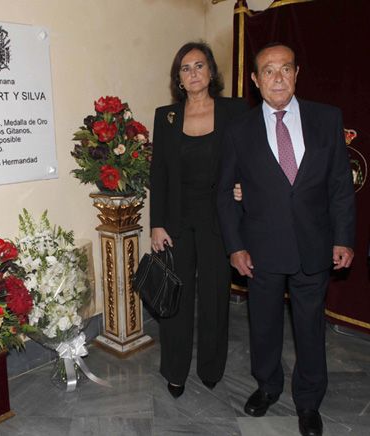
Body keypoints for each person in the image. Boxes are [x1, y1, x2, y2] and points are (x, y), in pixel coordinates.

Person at [216, 43, 355, 436]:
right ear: (256, 81)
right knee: (263, 326)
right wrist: (235, 246)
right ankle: (267, 386)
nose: (278, 77)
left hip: (315, 245)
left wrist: (344, 238)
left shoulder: (327, 119)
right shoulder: (239, 130)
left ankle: (308, 402)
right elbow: (225, 192)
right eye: (269, 71)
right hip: (260, 250)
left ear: (297, 74)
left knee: (311, 328)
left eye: (286, 69)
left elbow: (340, 186)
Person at [149, 41, 248, 398]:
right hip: (176, 220)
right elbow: (158, 173)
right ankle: (175, 370)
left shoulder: (235, 111)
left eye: (199, 66)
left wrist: (244, 188)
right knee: (175, 296)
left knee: (214, 295)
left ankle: (210, 366)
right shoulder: (167, 116)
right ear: (178, 78)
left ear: (211, 72)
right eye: (185, 68)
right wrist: (156, 223)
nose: (193, 73)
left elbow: (250, 157)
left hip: (220, 218)